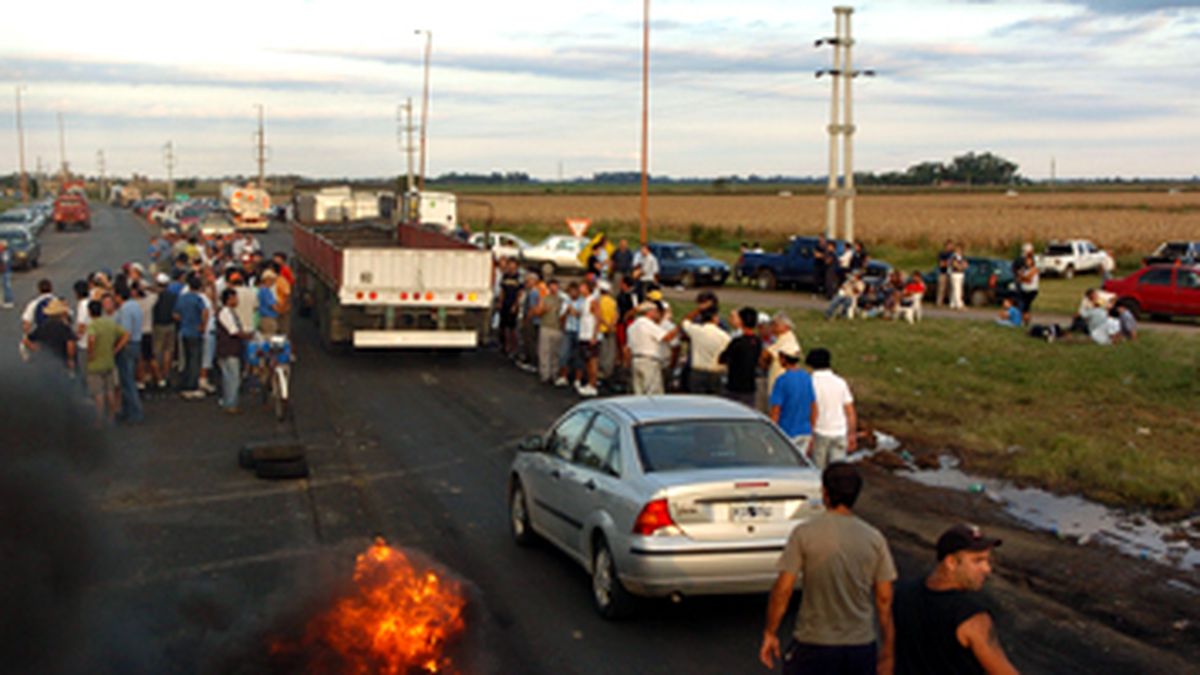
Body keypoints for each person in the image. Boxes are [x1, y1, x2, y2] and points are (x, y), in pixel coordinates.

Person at [760, 463, 896, 675]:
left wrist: (770, 632)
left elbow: (783, 590)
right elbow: (884, 599)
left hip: (814, 642)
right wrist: (888, 649)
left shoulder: (804, 533)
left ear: (825, 493)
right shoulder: (874, 538)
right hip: (860, 645)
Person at [894, 524, 1017, 675]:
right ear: (951, 562)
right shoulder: (972, 618)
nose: (987, 569)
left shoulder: (903, 593)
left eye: (987, 561)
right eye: (977, 561)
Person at [808, 348, 857, 469]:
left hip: (820, 431)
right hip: (839, 431)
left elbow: (809, 411)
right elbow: (850, 411)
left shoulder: (810, 382)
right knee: (838, 470)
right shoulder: (840, 382)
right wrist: (852, 434)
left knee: (818, 471)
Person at [86, 298, 129, 427]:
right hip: (109, 361)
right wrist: (116, 349)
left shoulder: (93, 325)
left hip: (95, 364)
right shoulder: (110, 323)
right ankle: (111, 417)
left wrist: (91, 353)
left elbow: (92, 339)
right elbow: (126, 335)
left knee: (98, 394)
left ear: (89, 312)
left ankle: (99, 419)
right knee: (110, 390)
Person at [769, 346, 816, 450]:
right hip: (805, 431)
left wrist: (771, 433)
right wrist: (812, 430)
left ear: (783, 359)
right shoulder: (807, 378)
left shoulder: (782, 381)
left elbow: (776, 410)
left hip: (786, 432)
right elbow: (813, 405)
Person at [173, 274, 209, 398]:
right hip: (196, 332)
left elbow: (175, 315)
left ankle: (185, 383)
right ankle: (192, 385)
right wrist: (203, 325)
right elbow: (205, 312)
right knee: (195, 359)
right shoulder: (198, 299)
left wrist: (184, 320)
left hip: (184, 331)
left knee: (186, 359)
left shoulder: (182, 298)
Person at [215, 288, 251, 414]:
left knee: (228, 377)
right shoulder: (225, 313)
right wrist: (247, 335)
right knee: (233, 377)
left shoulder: (228, 312)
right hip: (229, 349)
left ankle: (228, 401)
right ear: (229, 299)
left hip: (227, 348)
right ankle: (231, 403)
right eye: (235, 298)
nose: (237, 300)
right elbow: (233, 331)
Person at [719, 307, 762, 407]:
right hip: (750, 386)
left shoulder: (737, 342)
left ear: (741, 321)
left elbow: (722, 358)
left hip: (734, 386)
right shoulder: (757, 342)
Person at [113, 287, 145, 423]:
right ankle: (127, 410)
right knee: (128, 379)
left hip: (127, 346)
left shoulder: (125, 309)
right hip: (136, 343)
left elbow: (126, 333)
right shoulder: (135, 305)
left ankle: (135, 413)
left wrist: (116, 349)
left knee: (127, 381)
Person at [625, 301, 670, 395]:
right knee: (653, 392)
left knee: (639, 392)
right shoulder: (648, 324)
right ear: (650, 312)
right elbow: (666, 337)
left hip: (636, 360)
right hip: (649, 361)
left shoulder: (632, 326)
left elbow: (628, 348)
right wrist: (679, 328)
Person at [21, 298, 76, 371]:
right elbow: (70, 344)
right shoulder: (64, 328)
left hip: (45, 360)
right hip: (62, 359)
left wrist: (34, 348)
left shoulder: (43, 326)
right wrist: (70, 359)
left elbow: (26, 340)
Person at [150, 273, 179, 388]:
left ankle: (158, 377)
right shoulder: (173, 296)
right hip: (170, 325)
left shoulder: (155, 296)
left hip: (158, 325)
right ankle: (166, 374)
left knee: (157, 351)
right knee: (168, 350)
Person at [762, 312, 801, 396]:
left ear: (786, 327)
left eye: (775, 325)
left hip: (781, 387)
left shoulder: (787, 340)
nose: (772, 328)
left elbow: (766, 354)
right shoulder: (780, 338)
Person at [535, 278, 564, 384]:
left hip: (557, 328)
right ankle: (545, 374)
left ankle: (554, 374)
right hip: (546, 326)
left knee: (555, 353)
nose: (553, 288)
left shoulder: (561, 300)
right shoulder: (544, 298)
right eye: (551, 286)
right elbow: (537, 311)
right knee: (544, 352)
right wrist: (542, 310)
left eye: (555, 286)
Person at [518, 272, 542, 373]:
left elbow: (532, 308)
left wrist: (527, 319)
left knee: (531, 341)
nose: (526, 282)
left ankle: (532, 362)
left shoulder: (533, 292)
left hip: (532, 320)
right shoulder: (530, 292)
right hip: (534, 320)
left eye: (529, 280)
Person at [498, 259, 522, 358]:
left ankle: (514, 347)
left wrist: (516, 305)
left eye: (513, 265)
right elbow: (502, 290)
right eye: (510, 265)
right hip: (505, 304)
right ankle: (506, 346)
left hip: (513, 304)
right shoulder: (505, 276)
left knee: (512, 327)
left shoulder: (519, 278)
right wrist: (500, 302)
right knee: (504, 326)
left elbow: (520, 293)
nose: (511, 267)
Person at [257, 270, 280, 336]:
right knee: (269, 337)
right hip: (268, 319)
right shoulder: (266, 291)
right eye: (272, 280)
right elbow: (272, 305)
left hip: (263, 317)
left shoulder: (261, 289)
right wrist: (279, 311)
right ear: (267, 280)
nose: (273, 282)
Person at [949, 244, 968, 310]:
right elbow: (955, 264)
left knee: (956, 289)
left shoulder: (962, 257)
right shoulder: (954, 256)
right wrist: (961, 266)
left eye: (960, 249)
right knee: (957, 289)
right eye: (958, 249)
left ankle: (953, 304)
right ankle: (959, 305)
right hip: (955, 274)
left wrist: (962, 266)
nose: (959, 251)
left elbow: (966, 264)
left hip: (961, 274)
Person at [936, 240, 954, 307]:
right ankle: (939, 302)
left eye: (951, 245)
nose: (950, 247)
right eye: (949, 245)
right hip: (943, 273)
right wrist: (948, 263)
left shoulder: (953, 254)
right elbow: (941, 264)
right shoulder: (942, 254)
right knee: (941, 288)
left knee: (950, 288)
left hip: (951, 273)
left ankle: (950, 302)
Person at [0, 240, 13, 309]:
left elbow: (5, 262)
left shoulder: (6, 253)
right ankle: (2, 301)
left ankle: (9, 301)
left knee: (6, 286)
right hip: (3, 271)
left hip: (6, 272)